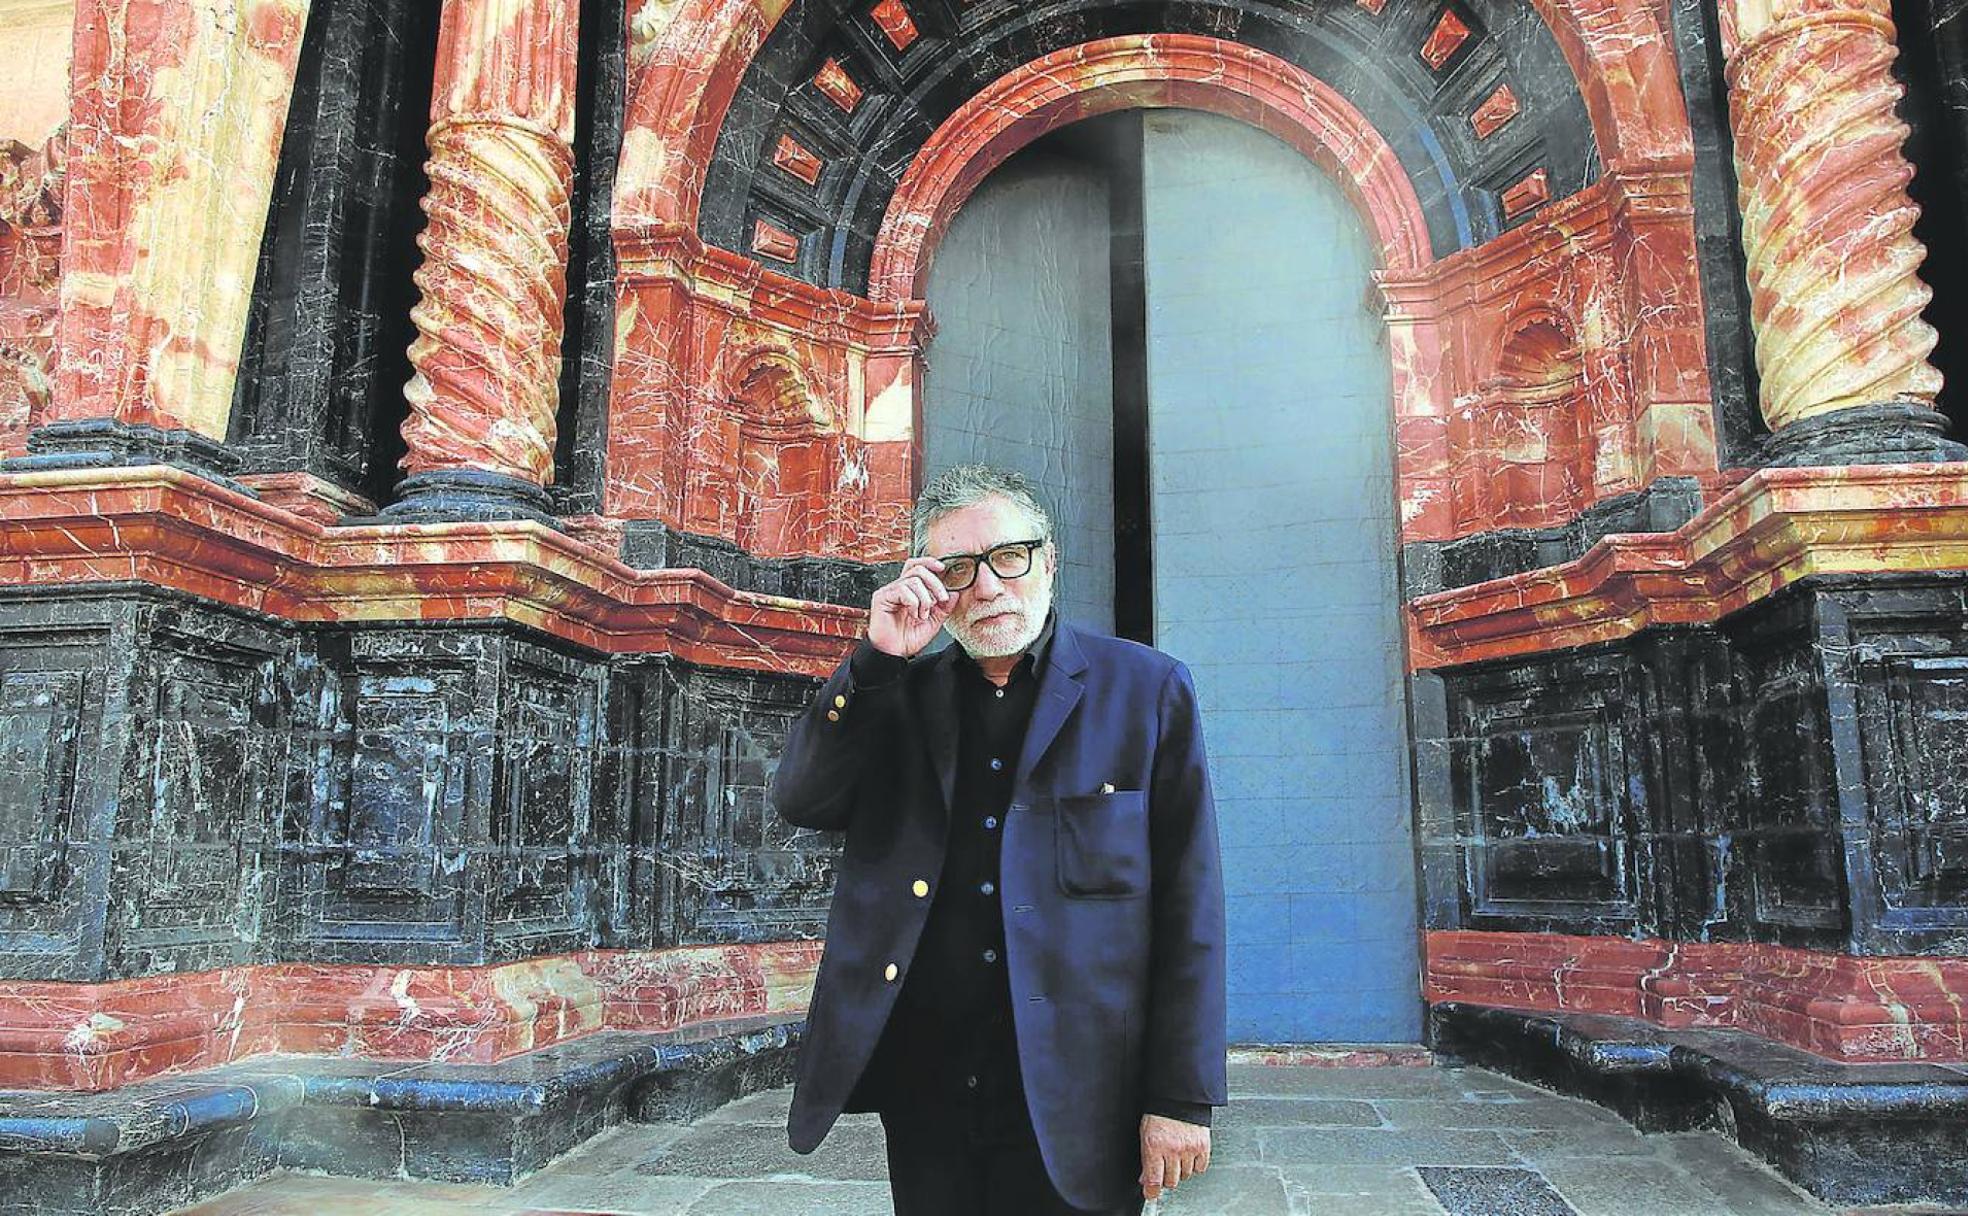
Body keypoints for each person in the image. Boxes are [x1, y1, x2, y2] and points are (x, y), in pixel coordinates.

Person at [771, 464, 1227, 1215]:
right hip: (928, 1081)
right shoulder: (895, 693)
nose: (985, 587)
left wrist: (1181, 1096)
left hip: (1083, 1089)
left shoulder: (1145, 690)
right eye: (956, 568)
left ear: (1047, 561)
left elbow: (1191, 905)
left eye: (1007, 557)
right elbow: (803, 798)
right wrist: (875, 660)